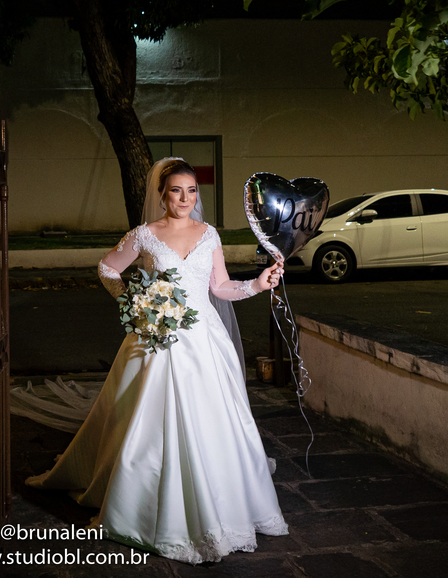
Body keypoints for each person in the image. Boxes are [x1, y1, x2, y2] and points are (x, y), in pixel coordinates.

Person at [25, 158, 288, 564]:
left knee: (214, 425)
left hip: (203, 345)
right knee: (146, 426)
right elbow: (107, 268)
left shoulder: (209, 234)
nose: (185, 198)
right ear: (162, 194)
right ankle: (141, 505)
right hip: (155, 343)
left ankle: (223, 503)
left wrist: (257, 283)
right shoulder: (145, 235)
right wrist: (134, 303)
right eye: (176, 190)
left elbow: (219, 287)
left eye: (192, 190)